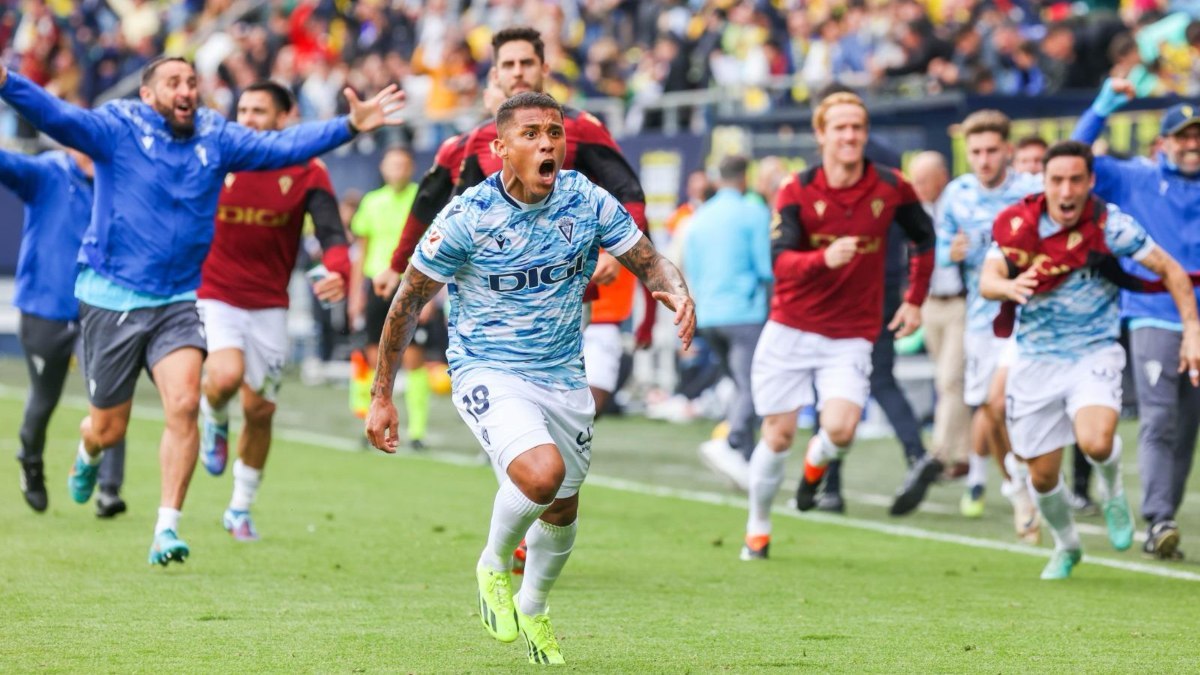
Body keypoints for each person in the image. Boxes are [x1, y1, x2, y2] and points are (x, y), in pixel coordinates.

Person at [0, 56, 403, 566]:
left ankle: (166, 527)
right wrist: (8, 83)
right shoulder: (116, 128)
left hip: (180, 299)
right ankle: (88, 449)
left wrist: (348, 125)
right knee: (108, 429)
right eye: (173, 82)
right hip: (112, 297)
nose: (186, 89)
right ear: (149, 95)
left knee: (187, 402)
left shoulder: (218, 137)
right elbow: (57, 117)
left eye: (192, 81)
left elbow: (283, 146)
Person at [365, 92, 695, 665]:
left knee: (563, 509)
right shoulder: (467, 217)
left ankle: (534, 606)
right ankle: (493, 562)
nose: (548, 144)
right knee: (543, 475)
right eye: (532, 134)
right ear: (500, 149)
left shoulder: (585, 199)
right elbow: (406, 304)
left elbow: (649, 259)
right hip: (486, 368)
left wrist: (678, 287)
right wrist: (380, 396)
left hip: (563, 373)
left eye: (555, 133)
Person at [376, 26, 657, 416]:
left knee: (556, 430)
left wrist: (616, 252)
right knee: (519, 427)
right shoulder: (470, 142)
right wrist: (396, 264)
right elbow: (429, 203)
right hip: (488, 298)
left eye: (526, 62)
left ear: (544, 66)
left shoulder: (579, 129)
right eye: (508, 64)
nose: (518, 71)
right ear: (495, 74)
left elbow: (630, 194)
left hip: (563, 297)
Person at [980, 140, 1200, 579]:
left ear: (1090, 181)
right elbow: (989, 278)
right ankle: (1067, 545)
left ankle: (1114, 490)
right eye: (1057, 180)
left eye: (1076, 179)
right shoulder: (1019, 223)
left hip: (1094, 351)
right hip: (1037, 359)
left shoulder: (1110, 225)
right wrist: (1007, 288)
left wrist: (1192, 329)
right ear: (1043, 183)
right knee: (1042, 478)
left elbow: (1172, 271)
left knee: (1096, 441)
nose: (1066, 190)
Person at [742, 92, 936, 560]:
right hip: (791, 326)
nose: (850, 136)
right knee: (778, 434)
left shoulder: (892, 185)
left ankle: (815, 467)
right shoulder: (796, 188)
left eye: (858, 127)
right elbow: (781, 262)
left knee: (842, 430)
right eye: (841, 128)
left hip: (851, 333)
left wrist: (914, 300)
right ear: (821, 134)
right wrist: (822, 258)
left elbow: (925, 239)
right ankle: (758, 528)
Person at [195, 81, 351, 540]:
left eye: (259, 110)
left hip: (269, 305)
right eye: (241, 108)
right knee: (224, 376)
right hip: (215, 293)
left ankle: (240, 508)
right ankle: (214, 416)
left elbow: (331, 234)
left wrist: (338, 269)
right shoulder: (214, 158)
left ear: (285, 118)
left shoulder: (307, 169)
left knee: (261, 410)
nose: (247, 118)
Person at [1072, 81, 1200, 560]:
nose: (1191, 144)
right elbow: (1075, 158)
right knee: (1160, 418)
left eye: (1197, 136)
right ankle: (1159, 518)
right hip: (1154, 314)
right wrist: (1104, 103)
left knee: (1187, 426)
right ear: (1164, 141)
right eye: (1182, 136)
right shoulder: (1136, 178)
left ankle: (1165, 513)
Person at [2, 145, 127, 517]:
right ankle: (31, 460)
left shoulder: (115, 177)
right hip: (46, 307)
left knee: (108, 395)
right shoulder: (46, 173)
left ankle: (108, 489)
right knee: (43, 399)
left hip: (99, 310)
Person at [936, 110, 1041, 540]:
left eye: (990, 150)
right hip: (983, 320)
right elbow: (941, 249)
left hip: (1035, 316)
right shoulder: (956, 193)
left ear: (1008, 150)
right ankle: (1018, 487)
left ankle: (1042, 484)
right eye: (975, 151)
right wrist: (952, 253)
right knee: (992, 410)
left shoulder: (1033, 190)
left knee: (1024, 406)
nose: (982, 159)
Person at [688, 155, 772, 490]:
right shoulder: (753, 211)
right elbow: (765, 268)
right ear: (744, 177)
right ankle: (732, 441)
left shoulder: (700, 215)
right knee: (752, 384)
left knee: (739, 384)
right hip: (744, 313)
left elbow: (692, 266)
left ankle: (748, 463)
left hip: (709, 314)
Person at [349, 147, 428, 447]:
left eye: (402, 163)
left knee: (414, 358)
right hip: (375, 284)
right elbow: (362, 251)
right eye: (391, 163)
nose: (397, 169)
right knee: (373, 356)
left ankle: (417, 432)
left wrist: (432, 297)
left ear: (410, 167)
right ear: (383, 167)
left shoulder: (421, 200)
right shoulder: (371, 202)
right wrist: (356, 294)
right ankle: (370, 422)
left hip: (412, 285)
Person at [909, 151, 971, 477]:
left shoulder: (960, 205)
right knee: (947, 381)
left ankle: (939, 454)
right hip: (931, 302)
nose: (916, 187)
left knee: (950, 379)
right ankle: (963, 454)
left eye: (921, 180)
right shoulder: (917, 211)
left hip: (960, 301)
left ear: (941, 177)